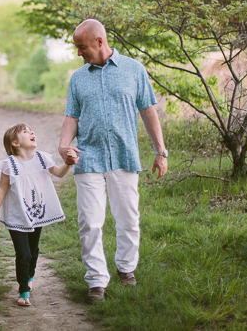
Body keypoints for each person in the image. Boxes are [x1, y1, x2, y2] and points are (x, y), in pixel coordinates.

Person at [58, 18, 168, 301]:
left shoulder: (134, 70)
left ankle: (126, 268)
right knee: (90, 222)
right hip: (88, 158)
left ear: (99, 41)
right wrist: (63, 145)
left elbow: (148, 111)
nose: (79, 53)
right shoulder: (78, 78)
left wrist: (160, 151)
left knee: (128, 218)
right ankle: (96, 281)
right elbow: (72, 116)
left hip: (124, 156)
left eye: (82, 47)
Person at [0, 123, 76, 307]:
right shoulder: (9, 165)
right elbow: (1, 191)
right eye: (25, 132)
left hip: (37, 212)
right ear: (15, 143)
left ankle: (30, 275)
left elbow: (58, 173)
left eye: (31, 130)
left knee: (33, 250)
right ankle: (23, 289)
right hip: (17, 216)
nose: (31, 132)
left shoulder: (42, 158)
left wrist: (68, 163)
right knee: (23, 253)